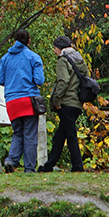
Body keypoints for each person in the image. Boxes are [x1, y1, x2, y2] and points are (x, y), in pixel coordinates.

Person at [0, 29, 45, 173]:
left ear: (14, 41)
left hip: (12, 102)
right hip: (29, 100)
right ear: (28, 41)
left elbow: (0, 80)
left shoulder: (5, 58)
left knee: (18, 132)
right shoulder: (33, 57)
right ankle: (29, 168)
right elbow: (39, 80)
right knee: (30, 135)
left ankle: (11, 159)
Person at [39, 36, 88, 173]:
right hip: (77, 102)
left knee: (70, 135)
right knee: (60, 135)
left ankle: (78, 167)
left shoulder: (63, 60)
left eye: (55, 48)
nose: (54, 52)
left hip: (66, 102)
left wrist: (56, 101)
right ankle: (49, 165)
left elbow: (63, 81)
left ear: (60, 48)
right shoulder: (79, 59)